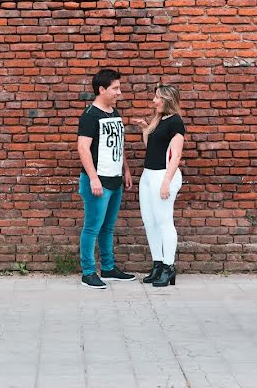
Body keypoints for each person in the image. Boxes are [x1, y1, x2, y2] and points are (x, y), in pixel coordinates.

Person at [76, 68, 135, 289]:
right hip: (97, 181)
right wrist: (93, 179)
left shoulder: (115, 114)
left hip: (115, 179)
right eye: (115, 88)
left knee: (107, 228)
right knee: (92, 228)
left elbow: (119, 145)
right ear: (102, 90)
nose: (119, 92)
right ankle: (88, 272)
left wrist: (126, 169)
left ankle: (108, 268)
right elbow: (83, 148)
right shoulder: (90, 116)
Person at [133, 85, 186, 287]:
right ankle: (157, 265)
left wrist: (166, 182)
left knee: (164, 222)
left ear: (166, 100)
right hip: (148, 175)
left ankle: (168, 267)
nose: (154, 101)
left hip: (164, 176)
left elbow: (176, 155)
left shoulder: (176, 123)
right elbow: (152, 147)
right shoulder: (160, 120)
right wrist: (145, 127)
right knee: (150, 221)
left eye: (157, 98)